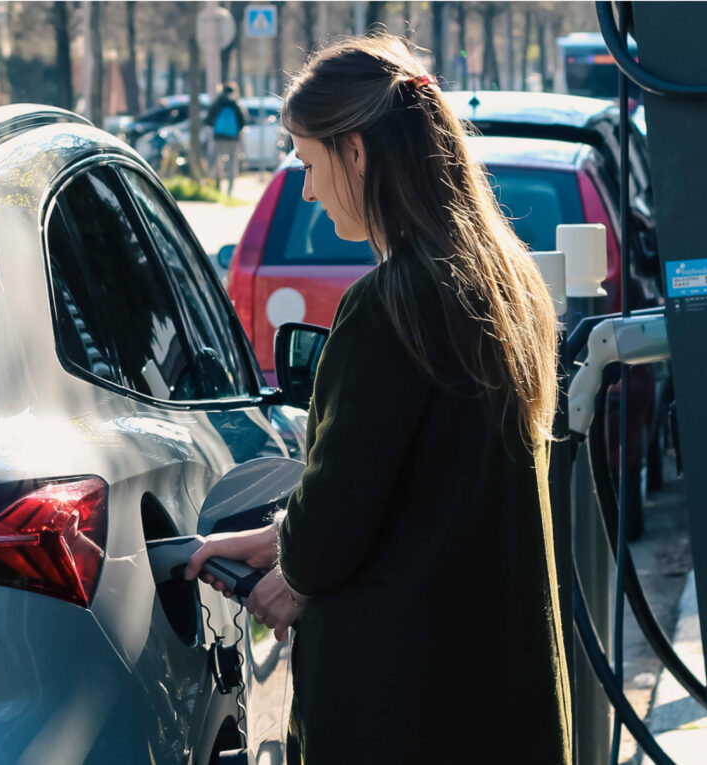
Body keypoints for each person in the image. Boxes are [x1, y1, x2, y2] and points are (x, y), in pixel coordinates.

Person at [184, 33, 572, 764]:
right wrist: (279, 540)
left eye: (306, 161)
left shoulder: (387, 307)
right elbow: (425, 486)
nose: (306, 187)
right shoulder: (509, 285)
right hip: (504, 698)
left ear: (355, 151)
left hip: (404, 708)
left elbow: (335, 521)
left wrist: (292, 569)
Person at [203, 82, 248, 195]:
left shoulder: (217, 104)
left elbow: (208, 120)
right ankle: (229, 190)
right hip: (233, 138)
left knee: (217, 161)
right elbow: (242, 122)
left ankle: (217, 186)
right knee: (232, 163)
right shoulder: (235, 104)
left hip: (219, 137)